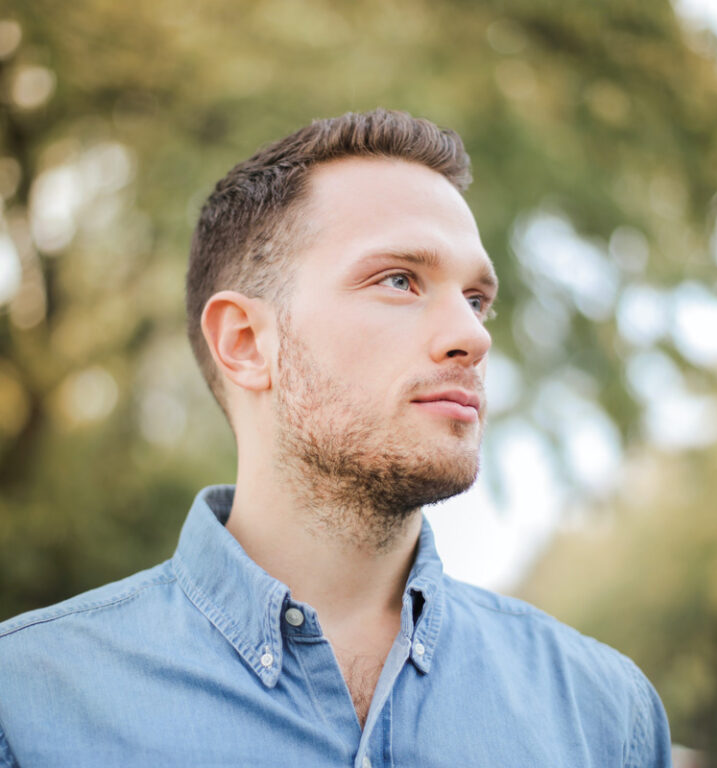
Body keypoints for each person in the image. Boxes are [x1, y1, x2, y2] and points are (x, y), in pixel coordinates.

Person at [0, 110, 672, 767]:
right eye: (399, 280)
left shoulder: (606, 718)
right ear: (245, 343)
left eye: (475, 299)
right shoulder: (26, 708)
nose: (474, 335)